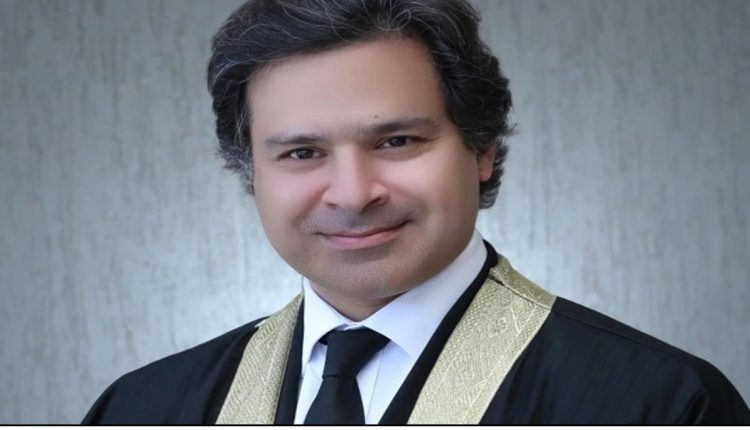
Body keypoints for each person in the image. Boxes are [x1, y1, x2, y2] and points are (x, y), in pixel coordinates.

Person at [82, 0, 749, 424]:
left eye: (396, 141)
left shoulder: (658, 405)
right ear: (250, 170)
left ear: (481, 148)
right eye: (303, 152)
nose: (352, 194)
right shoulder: (142, 409)